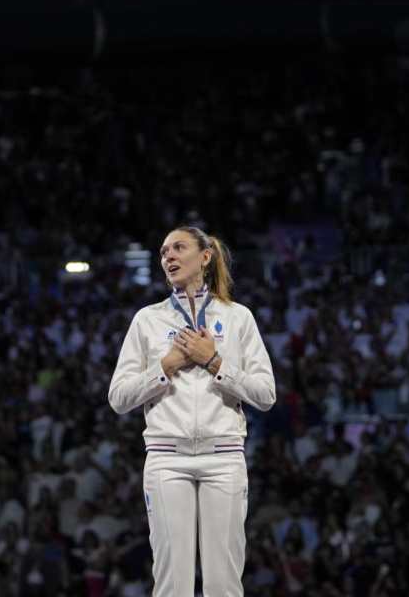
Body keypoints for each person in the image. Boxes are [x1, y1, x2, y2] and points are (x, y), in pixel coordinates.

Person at [109, 226, 277, 596]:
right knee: (172, 584)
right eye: (163, 251)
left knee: (223, 584)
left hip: (224, 458)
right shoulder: (147, 320)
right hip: (167, 459)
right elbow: (119, 398)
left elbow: (265, 395)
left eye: (178, 248)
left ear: (205, 256)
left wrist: (214, 362)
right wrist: (165, 366)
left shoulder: (238, 319)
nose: (167, 256)